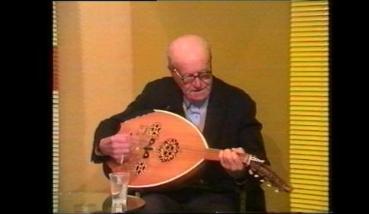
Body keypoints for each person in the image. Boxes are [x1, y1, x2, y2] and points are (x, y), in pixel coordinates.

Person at [91, 34, 269, 213]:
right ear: (173, 72)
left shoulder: (237, 102)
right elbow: (114, 123)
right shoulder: (158, 92)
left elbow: (257, 160)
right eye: (189, 77)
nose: (198, 84)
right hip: (164, 191)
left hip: (214, 194)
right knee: (151, 208)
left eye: (205, 74)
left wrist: (238, 172)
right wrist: (103, 145)